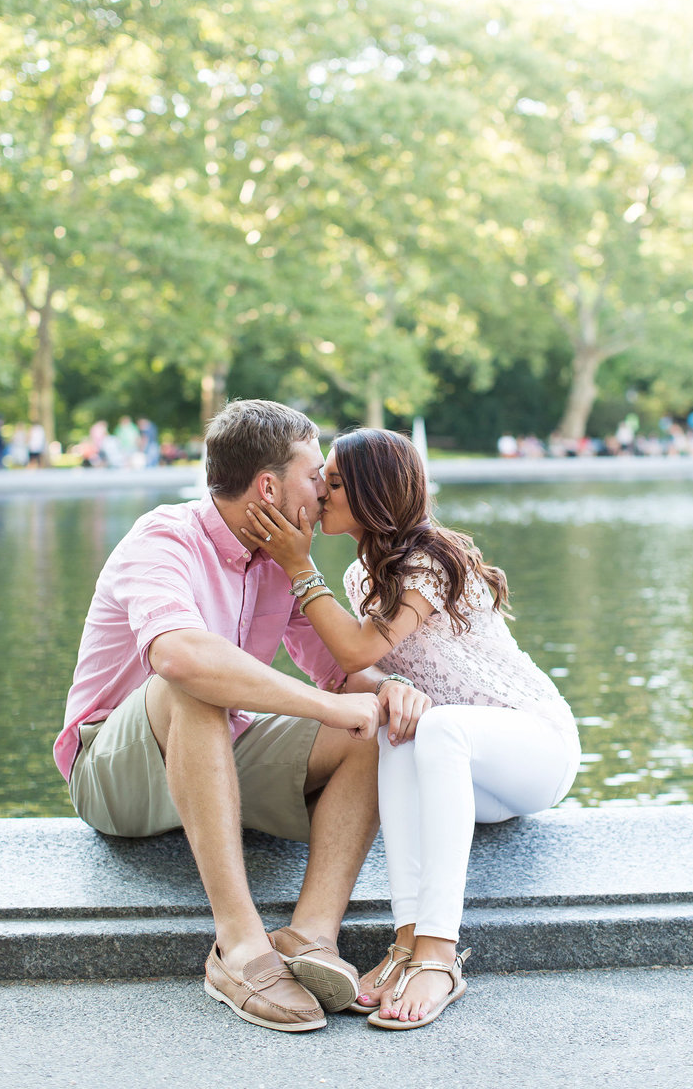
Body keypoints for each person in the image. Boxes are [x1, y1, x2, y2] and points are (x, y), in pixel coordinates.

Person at [53, 400, 431, 1033]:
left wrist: (387, 690)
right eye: (316, 475)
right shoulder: (164, 537)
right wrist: (328, 704)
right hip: (113, 772)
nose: (323, 490)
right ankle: (240, 948)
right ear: (268, 486)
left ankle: (309, 936)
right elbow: (177, 656)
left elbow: (339, 673)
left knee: (365, 730)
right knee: (192, 683)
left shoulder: (283, 561)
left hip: (217, 754)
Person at [241, 428, 581, 1031]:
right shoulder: (361, 578)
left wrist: (298, 565)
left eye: (335, 484)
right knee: (394, 727)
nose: (320, 494)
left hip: (533, 747)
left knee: (438, 727)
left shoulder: (428, 560)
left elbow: (356, 651)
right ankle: (405, 944)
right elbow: (362, 671)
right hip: (465, 767)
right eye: (323, 481)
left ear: (373, 495)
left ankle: (439, 958)